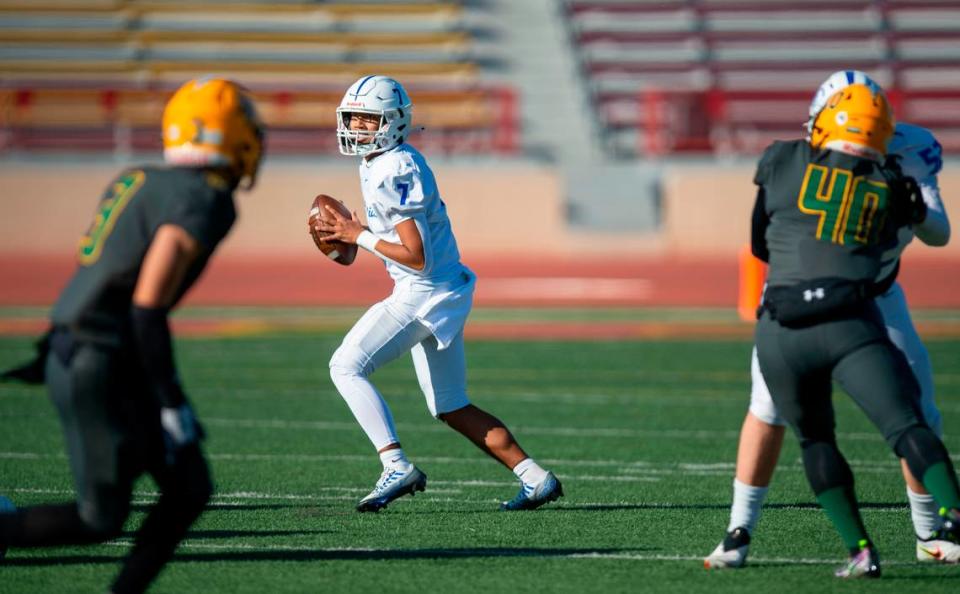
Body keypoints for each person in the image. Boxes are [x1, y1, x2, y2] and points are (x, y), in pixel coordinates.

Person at [0, 77, 264, 593]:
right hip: (101, 357)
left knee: (188, 488)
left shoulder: (139, 178)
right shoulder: (204, 199)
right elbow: (147, 306)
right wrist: (171, 402)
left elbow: (100, 274)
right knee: (103, 517)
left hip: (83, 348)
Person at [706, 71, 955, 570]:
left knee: (917, 413)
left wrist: (911, 208)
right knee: (769, 409)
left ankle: (928, 534)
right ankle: (739, 529)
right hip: (830, 300)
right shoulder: (814, 155)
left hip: (870, 296)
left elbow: (938, 231)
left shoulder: (811, 157)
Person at [312, 74, 562, 513]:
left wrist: (360, 234)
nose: (355, 126)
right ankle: (534, 477)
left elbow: (416, 256)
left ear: (392, 122)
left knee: (345, 366)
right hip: (441, 288)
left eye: (366, 120)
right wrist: (357, 238)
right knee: (450, 404)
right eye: (352, 117)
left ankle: (395, 464)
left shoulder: (394, 167)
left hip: (423, 290)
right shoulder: (381, 161)